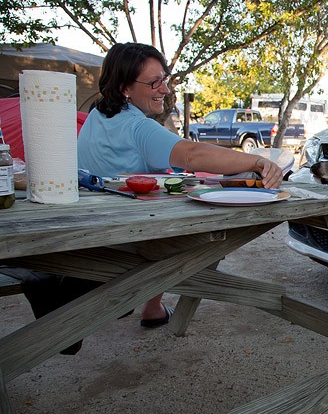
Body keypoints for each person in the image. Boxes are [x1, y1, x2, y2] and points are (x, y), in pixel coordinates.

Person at [77, 42, 283, 328]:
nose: (165, 89)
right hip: (128, 240)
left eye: (164, 79)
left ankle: (152, 306)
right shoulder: (138, 127)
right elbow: (192, 154)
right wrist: (256, 162)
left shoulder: (95, 118)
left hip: (93, 230)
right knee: (213, 234)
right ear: (125, 88)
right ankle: (145, 301)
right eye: (153, 83)